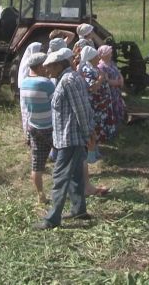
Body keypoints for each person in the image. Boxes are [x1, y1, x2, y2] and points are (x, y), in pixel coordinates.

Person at [34, 48, 95, 230]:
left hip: (71, 138)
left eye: (50, 66)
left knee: (60, 177)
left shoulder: (68, 80)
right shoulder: (66, 78)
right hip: (66, 137)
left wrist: (87, 134)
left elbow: (82, 109)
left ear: (60, 65)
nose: (47, 70)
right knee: (75, 175)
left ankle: (52, 219)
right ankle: (79, 210)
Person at [20, 52, 56, 204]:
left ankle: (41, 195)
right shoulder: (46, 84)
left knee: (37, 163)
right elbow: (56, 104)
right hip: (50, 127)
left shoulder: (24, 83)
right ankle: (63, 191)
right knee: (62, 160)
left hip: (34, 126)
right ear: (41, 66)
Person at [79, 46, 116, 147]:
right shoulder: (87, 69)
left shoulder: (93, 67)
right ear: (91, 58)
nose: (98, 58)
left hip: (102, 102)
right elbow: (92, 88)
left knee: (103, 120)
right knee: (98, 122)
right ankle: (97, 141)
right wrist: (101, 78)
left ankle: (104, 138)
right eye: (96, 56)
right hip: (96, 103)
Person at [97, 45, 126, 127]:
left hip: (117, 89)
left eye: (110, 53)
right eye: (109, 53)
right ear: (103, 55)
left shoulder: (112, 63)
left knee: (118, 104)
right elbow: (107, 81)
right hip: (110, 91)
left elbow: (118, 72)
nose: (111, 54)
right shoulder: (101, 66)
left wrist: (121, 80)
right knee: (112, 107)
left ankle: (120, 122)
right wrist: (117, 83)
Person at [18, 42, 43, 136]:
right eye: (39, 49)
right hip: (27, 89)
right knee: (26, 111)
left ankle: (29, 132)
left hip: (29, 88)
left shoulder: (30, 61)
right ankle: (28, 133)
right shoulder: (28, 64)